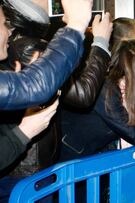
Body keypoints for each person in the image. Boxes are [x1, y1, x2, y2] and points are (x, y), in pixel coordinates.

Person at [0, 0, 93, 170]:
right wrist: (78, 23)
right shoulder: (26, 45)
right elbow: (37, 86)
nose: (9, 30)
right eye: (3, 24)